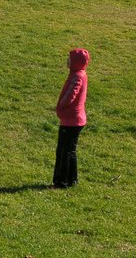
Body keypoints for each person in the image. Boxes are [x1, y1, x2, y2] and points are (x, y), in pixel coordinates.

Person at [53, 48, 90, 189]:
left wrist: (61, 105)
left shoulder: (77, 77)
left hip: (71, 120)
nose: (67, 61)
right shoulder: (80, 74)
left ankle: (61, 182)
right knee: (70, 150)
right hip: (77, 120)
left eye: (70, 58)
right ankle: (72, 179)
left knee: (63, 152)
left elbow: (71, 95)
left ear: (76, 62)